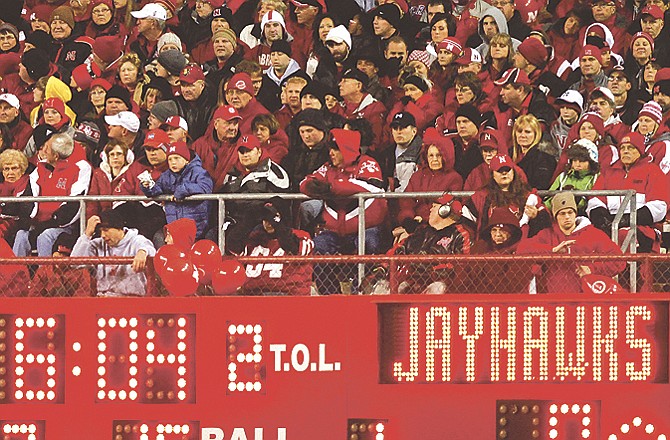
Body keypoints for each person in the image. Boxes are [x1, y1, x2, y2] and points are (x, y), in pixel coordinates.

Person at [518, 191, 626, 293]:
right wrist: (552, 251)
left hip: (586, 299)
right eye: (562, 213)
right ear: (555, 216)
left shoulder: (593, 234)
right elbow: (522, 249)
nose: (567, 217)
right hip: (555, 299)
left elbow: (619, 261)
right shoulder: (547, 235)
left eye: (570, 212)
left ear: (575, 213)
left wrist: (592, 269)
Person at [587, 132, 669, 253]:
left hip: (642, 227)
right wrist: (602, 221)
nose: (625, 151)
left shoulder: (652, 171)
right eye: (622, 148)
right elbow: (595, 200)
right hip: (610, 224)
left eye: (630, 148)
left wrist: (625, 220)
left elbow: (659, 206)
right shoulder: (608, 172)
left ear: (640, 151)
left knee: (624, 235)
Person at [14, 133, 92, 257]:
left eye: (47, 148)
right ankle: (15, 274)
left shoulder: (80, 168)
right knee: (21, 235)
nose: (44, 150)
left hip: (64, 227)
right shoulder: (41, 168)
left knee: (45, 237)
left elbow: (74, 206)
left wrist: (50, 222)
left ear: (56, 156)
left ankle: (44, 275)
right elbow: (27, 197)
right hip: (37, 224)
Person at [219, 134, 290, 253]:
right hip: (235, 221)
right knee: (212, 234)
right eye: (242, 151)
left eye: (249, 150)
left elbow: (281, 203)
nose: (245, 155)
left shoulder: (274, 172)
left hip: (260, 222)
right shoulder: (232, 174)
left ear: (259, 151)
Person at [392, 193, 474, 294]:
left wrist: (437, 271)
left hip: (442, 284)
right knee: (396, 287)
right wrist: (383, 266)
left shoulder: (460, 234)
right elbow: (399, 249)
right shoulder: (422, 231)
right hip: (414, 281)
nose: (430, 210)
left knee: (437, 288)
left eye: (434, 207)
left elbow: (462, 267)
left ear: (444, 211)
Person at [462, 153, 551, 239]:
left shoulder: (528, 196)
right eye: (499, 171)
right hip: (490, 248)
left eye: (507, 170)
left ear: (513, 172)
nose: (504, 173)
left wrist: (537, 216)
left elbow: (547, 223)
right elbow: (466, 224)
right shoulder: (480, 197)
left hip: (521, 248)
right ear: (492, 174)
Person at [72, 209, 157, 297]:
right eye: (100, 231)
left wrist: (142, 252)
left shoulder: (136, 240)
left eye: (106, 230)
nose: (103, 235)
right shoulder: (98, 244)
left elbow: (150, 249)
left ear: (119, 228)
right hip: (104, 298)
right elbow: (74, 263)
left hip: (131, 299)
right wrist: (87, 235)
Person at [241, 197, 314, 296]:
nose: (268, 223)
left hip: (287, 296)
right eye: (265, 219)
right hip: (254, 295)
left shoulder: (301, 236)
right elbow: (233, 247)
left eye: (272, 219)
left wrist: (277, 223)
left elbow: (293, 248)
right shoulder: (255, 238)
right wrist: (247, 222)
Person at [140, 140, 213, 239]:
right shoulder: (166, 176)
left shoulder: (199, 172)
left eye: (177, 158)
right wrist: (148, 187)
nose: (173, 162)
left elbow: (205, 188)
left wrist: (184, 189)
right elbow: (157, 190)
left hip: (197, 227)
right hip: (174, 227)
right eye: (170, 159)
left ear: (186, 160)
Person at [29, 232, 95, 297]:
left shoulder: (81, 273)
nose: (60, 257)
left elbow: (82, 299)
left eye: (64, 254)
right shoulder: (44, 270)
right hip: (47, 306)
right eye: (58, 253)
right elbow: (34, 295)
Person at [545, 140, 600, 216]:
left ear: (591, 161)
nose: (577, 164)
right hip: (560, 216)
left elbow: (596, 203)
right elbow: (547, 200)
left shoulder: (596, 178)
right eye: (574, 160)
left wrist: (577, 200)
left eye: (582, 161)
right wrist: (560, 200)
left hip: (584, 217)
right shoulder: (563, 177)